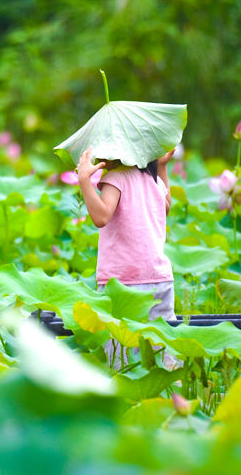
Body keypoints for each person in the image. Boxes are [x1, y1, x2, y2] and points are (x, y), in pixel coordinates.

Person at [76, 145, 180, 370]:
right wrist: (161, 167)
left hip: (123, 283)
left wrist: (85, 180)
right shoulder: (151, 180)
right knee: (162, 354)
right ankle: (171, 399)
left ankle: (127, 402)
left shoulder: (116, 178)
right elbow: (167, 207)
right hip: (159, 279)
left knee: (121, 361)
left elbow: (101, 216)